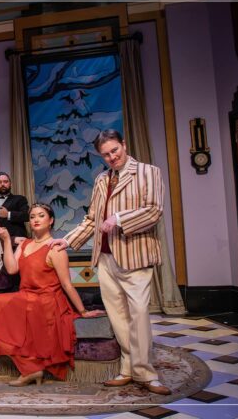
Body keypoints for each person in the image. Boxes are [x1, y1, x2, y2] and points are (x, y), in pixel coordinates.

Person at [52, 129, 171, 396]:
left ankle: (146, 373)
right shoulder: (101, 180)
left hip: (135, 254)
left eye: (114, 150)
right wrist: (68, 241)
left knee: (139, 314)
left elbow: (154, 211)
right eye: (105, 154)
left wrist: (119, 219)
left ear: (124, 145)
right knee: (118, 318)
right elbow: (92, 220)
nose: (111, 157)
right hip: (105, 257)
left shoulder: (147, 172)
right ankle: (128, 369)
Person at [0, 204, 103, 386]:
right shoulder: (25, 244)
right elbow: (12, 269)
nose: (35, 219)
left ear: (50, 221)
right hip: (27, 296)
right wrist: (5, 240)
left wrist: (82, 311)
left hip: (47, 300)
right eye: (33, 216)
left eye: (41, 215)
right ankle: (27, 368)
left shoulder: (56, 248)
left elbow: (67, 284)